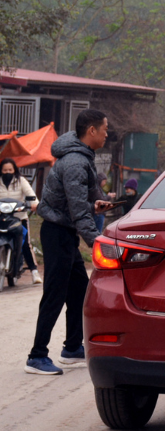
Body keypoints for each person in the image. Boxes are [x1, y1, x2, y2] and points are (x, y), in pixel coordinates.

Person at [26, 109, 115, 376]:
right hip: (56, 233)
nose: (106, 134)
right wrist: (95, 241)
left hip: (63, 232)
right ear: (91, 131)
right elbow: (77, 209)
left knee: (79, 290)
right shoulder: (76, 161)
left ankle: (73, 347)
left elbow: (81, 199)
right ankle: (37, 356)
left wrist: (94, 203)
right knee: (55, 294)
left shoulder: (81, 155)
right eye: (104, 129)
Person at [0, 158, 41, 284]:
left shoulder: (21, 180)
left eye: (10, 170)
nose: (7, 172)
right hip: (1, 218)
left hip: (19, 217)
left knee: (24, 244)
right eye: (5, 170)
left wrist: (34, 204)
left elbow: (31, 194)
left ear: (14, 170)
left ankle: (34, 272)